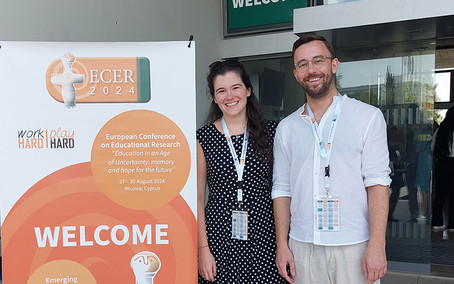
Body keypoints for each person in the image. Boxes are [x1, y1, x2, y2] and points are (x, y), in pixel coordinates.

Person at [272, 34, 391, 284]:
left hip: (355, 245)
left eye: (318, 60)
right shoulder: (286, 127)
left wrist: (377, 245)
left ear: (334, 65)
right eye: (302, 64)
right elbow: (282, 189)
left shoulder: (367, 117)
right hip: (302, 246)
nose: (311, 70)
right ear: (295, 74)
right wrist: (282, 245)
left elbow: (378, 183)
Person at [197, 59, 285, 283]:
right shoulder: (203, 138)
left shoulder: (273, 132)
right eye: (221, 91)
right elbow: (197, 199)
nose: (230, 96)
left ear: (248, 90)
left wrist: (284, 243)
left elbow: (284, 190)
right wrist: (203, 250)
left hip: (266, 237)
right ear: (215, 98)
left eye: (235, 87)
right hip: (219, 239)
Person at [432, 106, 454, 231]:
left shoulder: (440, 131)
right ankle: (452, 224)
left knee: (440, 194)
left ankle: (437, 222)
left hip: (442, 163)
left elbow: (432, 147)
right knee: (453, 195)